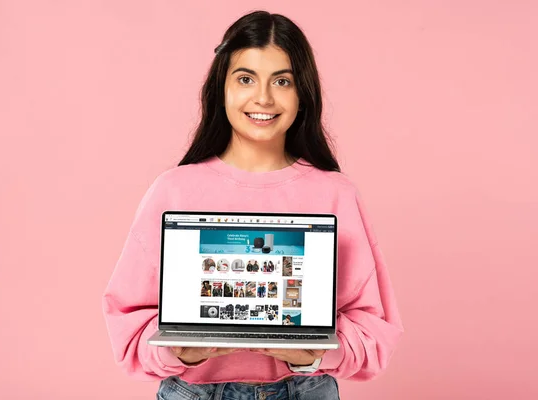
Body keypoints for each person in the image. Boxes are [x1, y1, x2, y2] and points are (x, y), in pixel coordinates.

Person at [102, 10, 403, 400]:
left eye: (282, 81)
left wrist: (314, 354)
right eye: (245, 79)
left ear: (302, 94)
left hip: (305, 390)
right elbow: (126, 322)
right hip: (193, 392)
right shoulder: (172, 190)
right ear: (220, 88)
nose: (263, 97)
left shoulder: (336, 194)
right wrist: (177, 350)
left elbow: (374, 329)